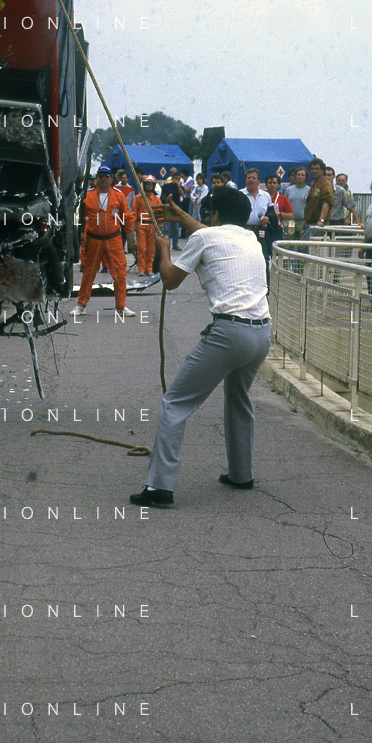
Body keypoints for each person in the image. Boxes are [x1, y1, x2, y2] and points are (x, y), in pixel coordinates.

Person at [130, 186, 271, 507]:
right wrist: (181, 216)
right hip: (262, 334)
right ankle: (241, 474)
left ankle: (159, 488)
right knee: (238, 399)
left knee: (174, 404)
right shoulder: (250, 238)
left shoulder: (205, 237)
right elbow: (212, 234)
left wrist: (163, 249)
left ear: (215, 215)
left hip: (229, 334)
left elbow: (170, 279)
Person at [71, 165, 136, 316]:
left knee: (120, 274)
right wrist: (79, 235)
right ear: (96, 178)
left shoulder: (119, 196)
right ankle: (81, 305)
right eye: (100, 175)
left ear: (112, 179)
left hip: (114, 240)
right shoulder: (87, 196)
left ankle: (121, 307)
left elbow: (126, 217)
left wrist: (132, 240)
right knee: (88, 273)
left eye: (107, 176)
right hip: (94, 241)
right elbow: (79, 218)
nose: (103, 178)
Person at [134, 175, 163, 275]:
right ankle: (141, 269)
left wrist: (161, 225)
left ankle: (149, 269)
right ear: (144, 185)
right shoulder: (138, 198)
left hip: (152, 226)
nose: (149, 186)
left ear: (153, 186)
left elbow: (160, 213)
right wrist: (132, 224)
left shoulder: (156, 200)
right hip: (141, 225)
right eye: (147, 184)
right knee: (142, 248)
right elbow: (133, 212)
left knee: (151, 249)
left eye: (151, 184)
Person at [302, 158, 334, 237]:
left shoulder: (325, 184)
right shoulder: (313, 185)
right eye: (312, 169)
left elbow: (326, 204)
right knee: (305, 243)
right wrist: (303, 226)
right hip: (309, 222)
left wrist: (321, 221)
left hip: (318, 223)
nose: (314, 171)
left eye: (317, 169)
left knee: (303, 243)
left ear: (322, 171)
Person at [265, 175, 294, 253]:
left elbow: (291, 216)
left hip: (277, 230)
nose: (272, 185)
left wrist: (279, 214)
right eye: (270, 183)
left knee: (277, 253)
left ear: (278, 185)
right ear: (266, 185)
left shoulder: (283, 198)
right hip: (264, 229)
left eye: (274, 183)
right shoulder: (261, 197)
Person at [160, 169, 183, 251]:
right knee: (166, 228)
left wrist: (178, 186)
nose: (176, 180)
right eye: (175, 178)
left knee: (176, 228)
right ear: (172, 178)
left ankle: (175, 244)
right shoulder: (166, 186)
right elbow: (162, 196)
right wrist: (165, 199)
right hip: (167, 208)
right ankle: (167, 244)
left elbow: (183, 194)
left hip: (176, 209)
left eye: (178, 179)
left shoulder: (179, 187)